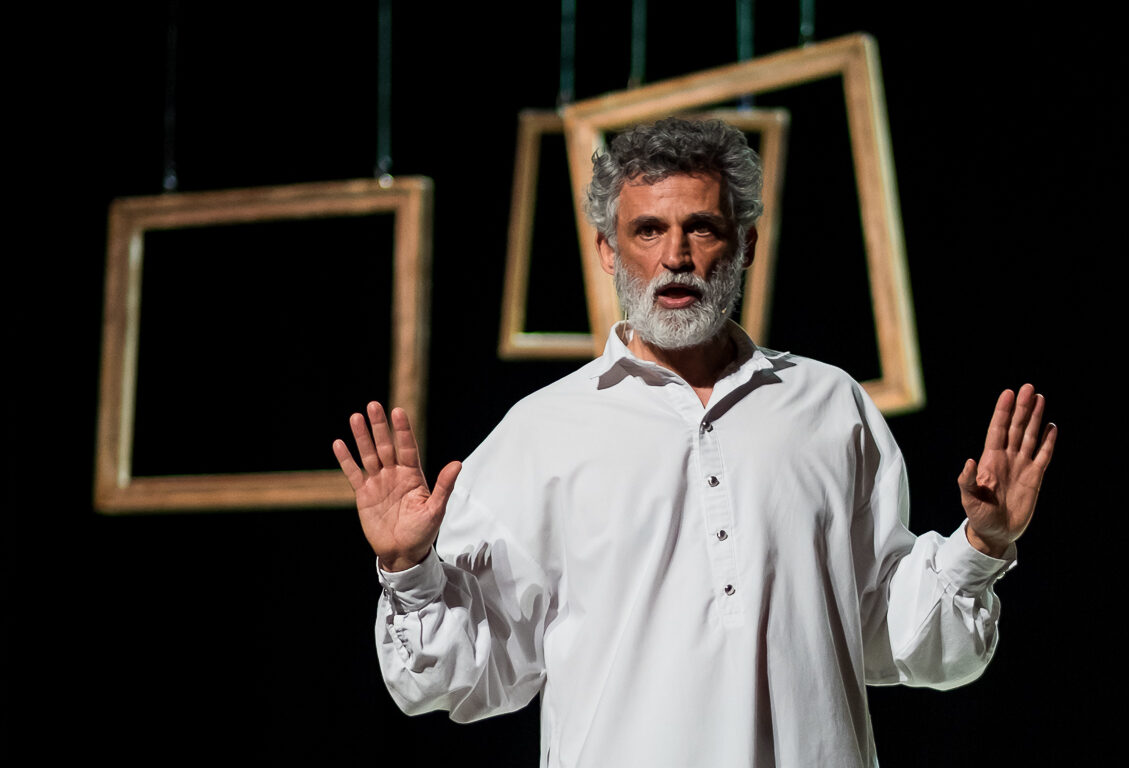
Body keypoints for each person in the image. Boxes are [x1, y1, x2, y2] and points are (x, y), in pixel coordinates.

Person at [333, 117, 1057, 767]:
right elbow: (456, 677)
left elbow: (892, 635)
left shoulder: (830, 405)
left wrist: (981, 546)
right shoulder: (541, 431)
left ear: (745, 244)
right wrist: (408, 569)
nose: (675, 255)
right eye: (648, 230)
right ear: (607, 250)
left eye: (702, 228)